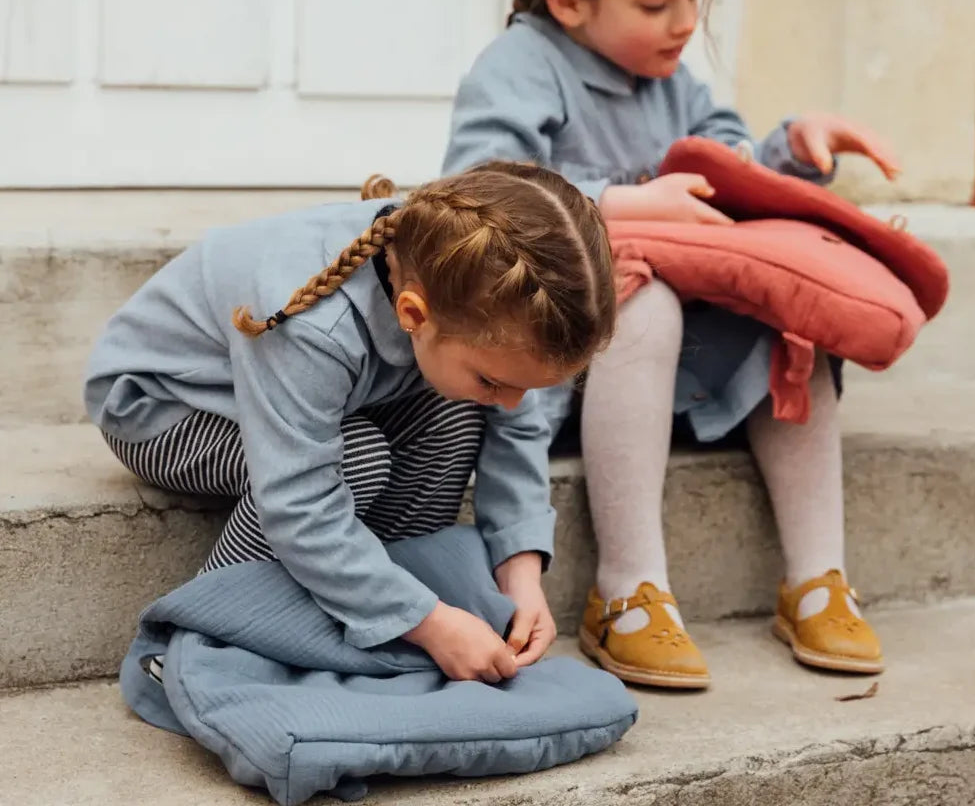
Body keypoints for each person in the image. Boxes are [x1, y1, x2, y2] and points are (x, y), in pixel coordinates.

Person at [443, 0, 899, 687]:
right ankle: (628, 592)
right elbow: (482, 192)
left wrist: (792, 154)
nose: (686, 21)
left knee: (790, 310)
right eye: (659, 2)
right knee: (639, 295)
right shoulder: (521, 68)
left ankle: (817, 577)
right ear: (569, 1)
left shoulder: (675, 79)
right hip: (556, 374)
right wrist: (616, 208)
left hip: (679, 378)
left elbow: (729, 171)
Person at [84, 162, 616, 685]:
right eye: (494, 382)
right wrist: (431, 624)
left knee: (458, 415)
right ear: (413, 315)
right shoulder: (315, 327)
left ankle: (382, 597)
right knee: (357, 457)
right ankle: (202, 634)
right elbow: (299, 503)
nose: (510, 403)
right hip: (161, 407)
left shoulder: (456, 295)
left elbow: (515, 428)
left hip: (323, 399)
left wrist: (520, 577)